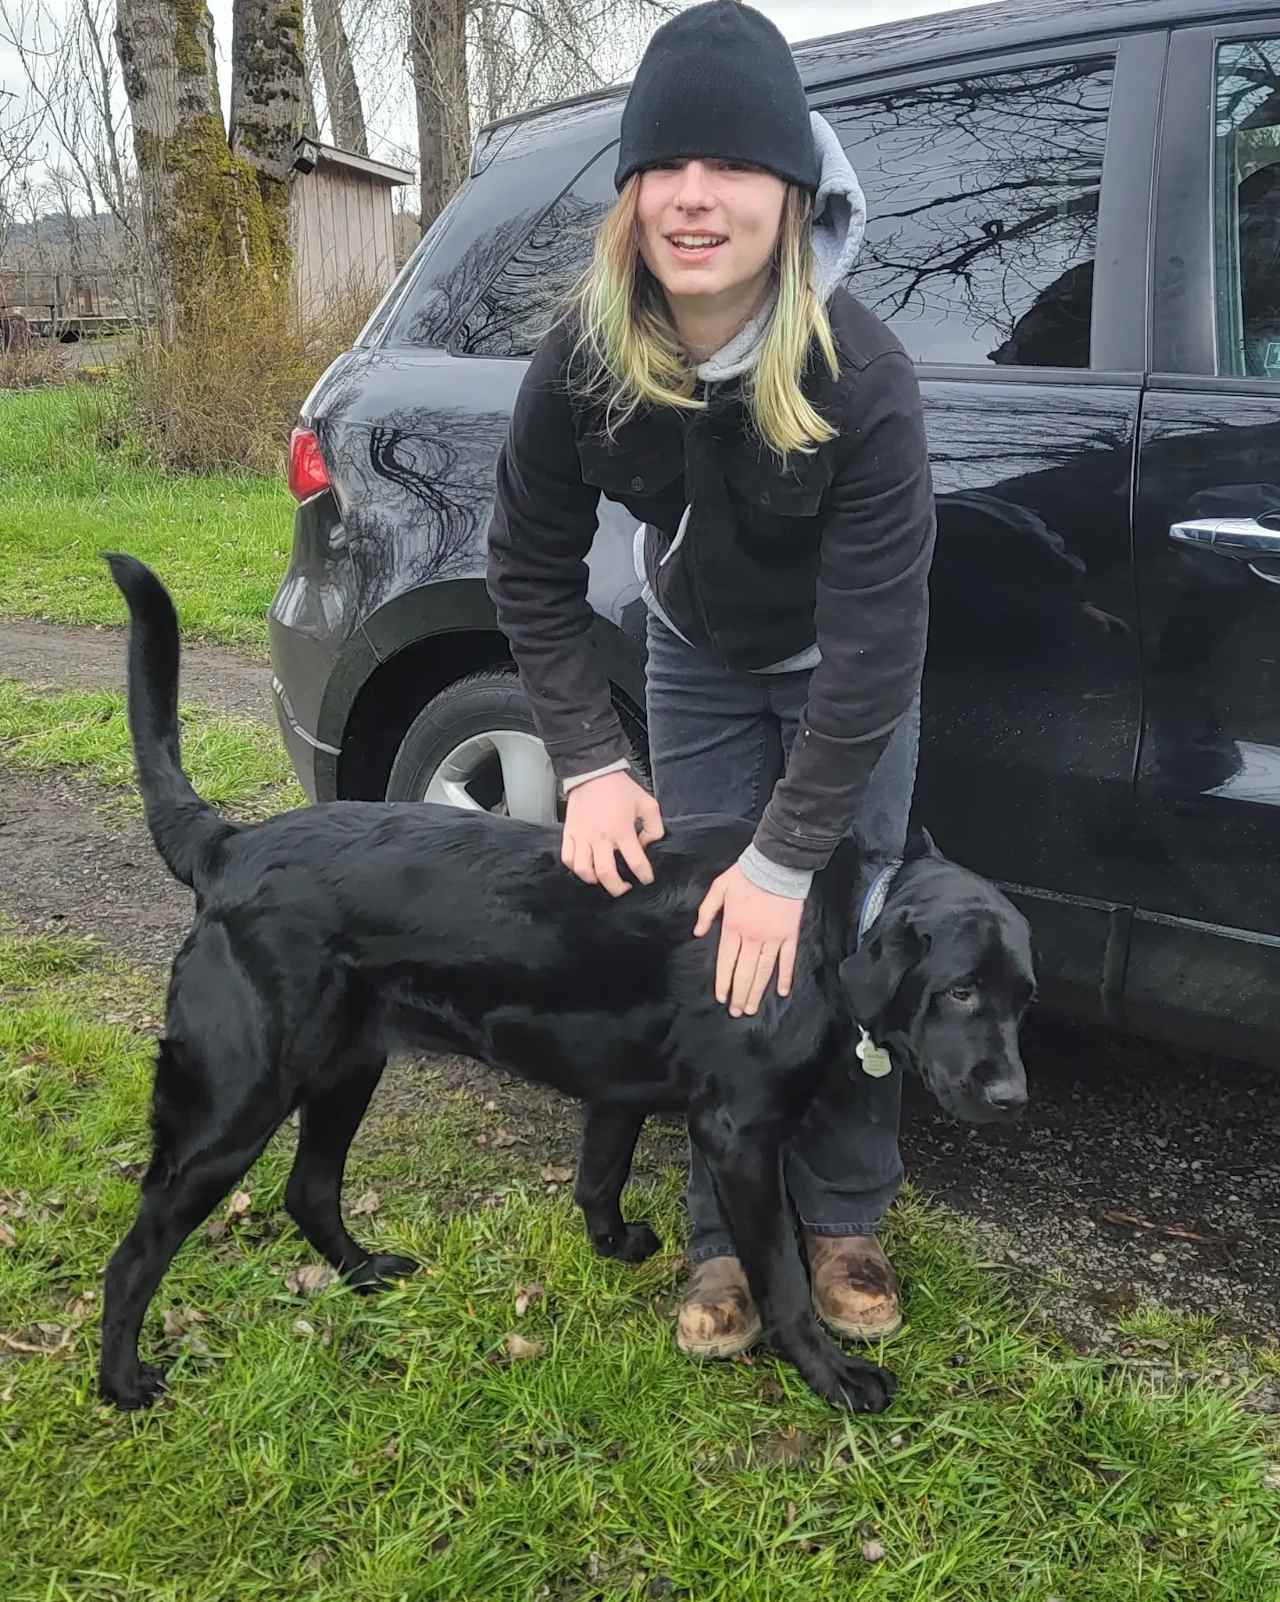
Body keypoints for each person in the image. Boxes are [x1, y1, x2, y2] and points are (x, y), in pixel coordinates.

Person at [487, 0, 935, 1360]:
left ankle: (845, 1207)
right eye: (662, 167)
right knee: (708, 939)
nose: (695, 198)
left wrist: (794, 851)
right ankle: (714, 1228)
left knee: (839, 948)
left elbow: (874, 649)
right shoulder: (584, 354)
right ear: (629, 197)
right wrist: (589, 756)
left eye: (732, 166)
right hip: (691, 654)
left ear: (793, 190)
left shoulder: (863, 375)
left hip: (843, 684)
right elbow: (527, 568)